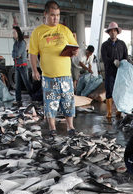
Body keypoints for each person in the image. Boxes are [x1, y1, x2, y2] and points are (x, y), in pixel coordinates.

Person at [29, 0, 79, 136]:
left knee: (68, 102)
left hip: (65, 75)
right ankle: (52, 128)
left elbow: (75, 47)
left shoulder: (64, 30)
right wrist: (34, 70)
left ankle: (70, 127)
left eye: (57, 15)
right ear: (45, 14)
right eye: (52, 15)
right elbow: (32, 53)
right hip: (49, 76)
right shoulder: (38, 32)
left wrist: (75, 52)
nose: (55, 18)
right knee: (51, 103)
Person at [100, 21, 128, 120]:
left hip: (120, 73)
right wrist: (113, 61)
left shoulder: (122, 44)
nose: (113, 33)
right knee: (109, 91)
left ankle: (119, 111)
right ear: (108, 33)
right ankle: (109, 112)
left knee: (120, 91)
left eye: (114, 31)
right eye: (111, 31)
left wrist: (123, 62)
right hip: (109, 72)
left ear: (117, 32)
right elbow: (104, 58)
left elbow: (125, 56)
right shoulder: (104, 45)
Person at [12, 26, 31, 107]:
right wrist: (15, 55)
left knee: (26, 83)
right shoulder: (15, 43)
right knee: (17, 84)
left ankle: (34, 97)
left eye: (14, 32)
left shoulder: (22, 42)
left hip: (23, 66)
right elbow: (13, 54)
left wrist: (16, 55)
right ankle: (18, 100)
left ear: (18, 33)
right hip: (17, 66)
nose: (13, 34)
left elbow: (18, 53)